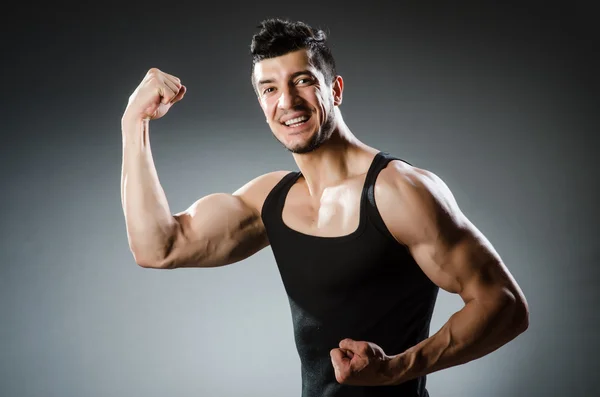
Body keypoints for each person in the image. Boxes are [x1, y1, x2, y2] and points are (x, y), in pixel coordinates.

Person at [120, 18, 529, 397]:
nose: (288, 101)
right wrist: (133, 122)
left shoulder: (398, 191)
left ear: (334, 89)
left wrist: (397, 368)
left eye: (302, 81)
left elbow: (503, 304)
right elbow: (159, 247)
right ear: (261, 103)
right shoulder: (271, 199)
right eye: (269, 89)